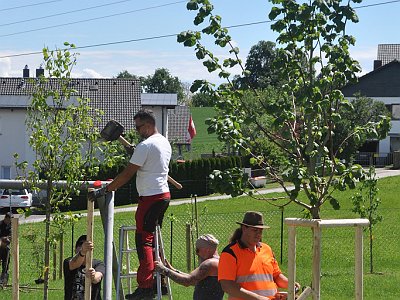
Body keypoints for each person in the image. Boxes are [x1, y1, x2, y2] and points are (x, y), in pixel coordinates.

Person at [105, 109, 172, 300]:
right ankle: (161, 282)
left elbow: (127, 173)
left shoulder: (146, 145)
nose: (136, 131)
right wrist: (134, 151)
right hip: (163, 195)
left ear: (149, 125)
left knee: (143, 241)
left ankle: (146, 287)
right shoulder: (163, 142)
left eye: (138, 127)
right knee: (152, 240)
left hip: (150, 197)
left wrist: (108, 189)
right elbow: (149, 162)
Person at [218, 211, 300, 300]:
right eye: (255, 230)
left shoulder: (267, 249)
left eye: (261, 230)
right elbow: (227, 286)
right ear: (244, 228)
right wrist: (259, 298)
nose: (258, 234)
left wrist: (291, 285)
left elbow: (276, 276)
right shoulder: (230, 252)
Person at [154, 234, 224, 300]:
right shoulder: (218, 261)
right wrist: (172, 269)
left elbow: (187, 281)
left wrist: (163, 270)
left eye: (197, 250)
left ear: (207, 250)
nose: (197, 254)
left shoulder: (209, 264)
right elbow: (193, 279)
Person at [64, 235, 105, 300]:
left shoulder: (98, 264)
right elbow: (73, 265)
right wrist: (82, 252)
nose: (83, 247)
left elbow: (98, 277)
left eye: (86, 246)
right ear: (75, 249)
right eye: (80, 244)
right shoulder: (68, 262)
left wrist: (93, 276)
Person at [0, 212, 12, 285]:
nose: (9, 222)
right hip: (0, 245)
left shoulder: (10, 226)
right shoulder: (0, 224)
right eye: (9, 220)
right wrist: (3, 238)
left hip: (6, 247)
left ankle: (4, 281)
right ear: (6, 218)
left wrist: (7, 238)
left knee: (6, 264)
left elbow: (11, 236)